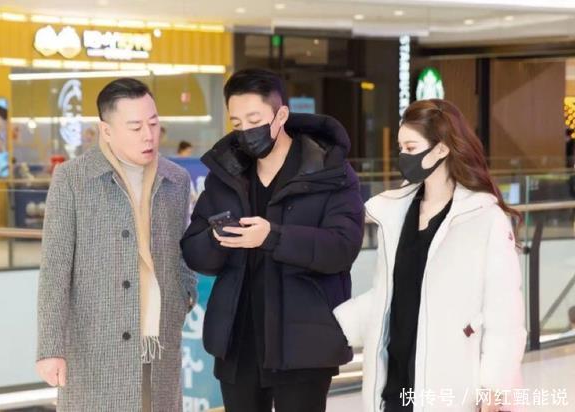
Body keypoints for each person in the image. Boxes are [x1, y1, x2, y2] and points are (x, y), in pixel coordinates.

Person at [180, 68, 364, 412]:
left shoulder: (329, 172)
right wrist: (216, 238)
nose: (246, 132)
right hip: (238, 340)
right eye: (237, 123)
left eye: (254, 120)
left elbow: (342, 247)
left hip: (304, 342)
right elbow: (193, 251)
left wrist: (273, 236)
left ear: (281, 116)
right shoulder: (227, 174)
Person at [334, 99, 527, 412]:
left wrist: (494, 387)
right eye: (401, 148)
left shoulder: (484, 218)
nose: (403, 156)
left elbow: (504, 312)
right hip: (394, 383)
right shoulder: (394, 213)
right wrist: (337, 323)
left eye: (411, 148)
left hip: (449, 384)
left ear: (441, 149)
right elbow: (391, 293)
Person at [36, 78, 197, 411]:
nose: (148, 135)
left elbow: (182, 251)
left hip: (160, 338)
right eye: (135, 127)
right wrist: (50, 348)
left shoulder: (176, 180)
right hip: (96, 341)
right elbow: (55, 269)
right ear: (106, 131)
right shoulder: (73, 179)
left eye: (153, 123)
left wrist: (185, 294)